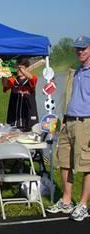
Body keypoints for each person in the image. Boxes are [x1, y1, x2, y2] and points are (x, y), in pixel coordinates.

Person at [46, 35, 90, 221]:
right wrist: (62, 119)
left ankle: (83, 204)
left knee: (87, 164)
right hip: (68, 121)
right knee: (64, 161)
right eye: (77, 49)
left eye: (84, 48)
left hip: (85, 123)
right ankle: (66, 200)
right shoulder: (78, 71)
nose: (80, 51)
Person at [2, 57, 38, 131]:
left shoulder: (32, 79)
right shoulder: (13, 80)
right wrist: (3, 73)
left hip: (28, 115)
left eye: (21, 68)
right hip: (14, 116)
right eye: (17, 68)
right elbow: (5, 85)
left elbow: (31, 78)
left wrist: (21, 68)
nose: (19, 70)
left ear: (27, 68)